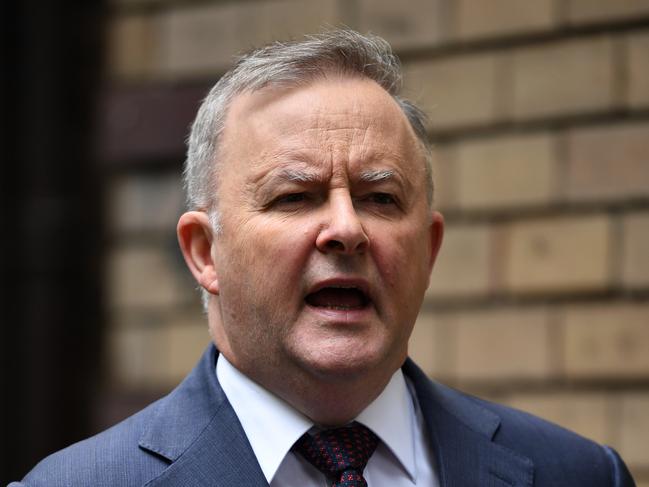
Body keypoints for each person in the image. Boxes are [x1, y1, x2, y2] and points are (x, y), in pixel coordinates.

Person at [12, 29, 635, 487]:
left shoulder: (577, 474)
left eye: (381, 198)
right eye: (295, 196)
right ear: (205, 253)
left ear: (429, 249)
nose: (346, 229)